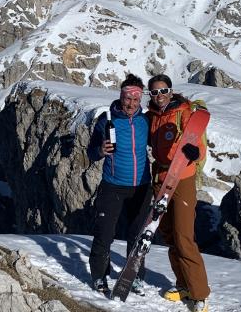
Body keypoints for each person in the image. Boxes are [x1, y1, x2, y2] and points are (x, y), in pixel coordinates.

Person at [146, 74, 210, 312]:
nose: (159, 96)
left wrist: (195, 153)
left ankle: (200, 293)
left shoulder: (184, 112)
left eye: (163, 91)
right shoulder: (151, 116)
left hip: (182, 178)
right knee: (170, 235)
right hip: (160, 180)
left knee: (184, 236)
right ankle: (183, 285)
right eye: (154, 92)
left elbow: (199, 143)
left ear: (171, 91)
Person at [87, 74, 151, 296]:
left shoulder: (146, 120)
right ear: (121, 97)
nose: (131, 104)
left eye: (135, 99)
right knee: (105, 233)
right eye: (127, 99)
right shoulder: (107, 120)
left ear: (140, 99)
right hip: (112, 185)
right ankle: (99, 276)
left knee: (138, 236)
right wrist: (100, 151)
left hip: (142, 186)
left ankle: (134, 277)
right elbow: (91, 152)